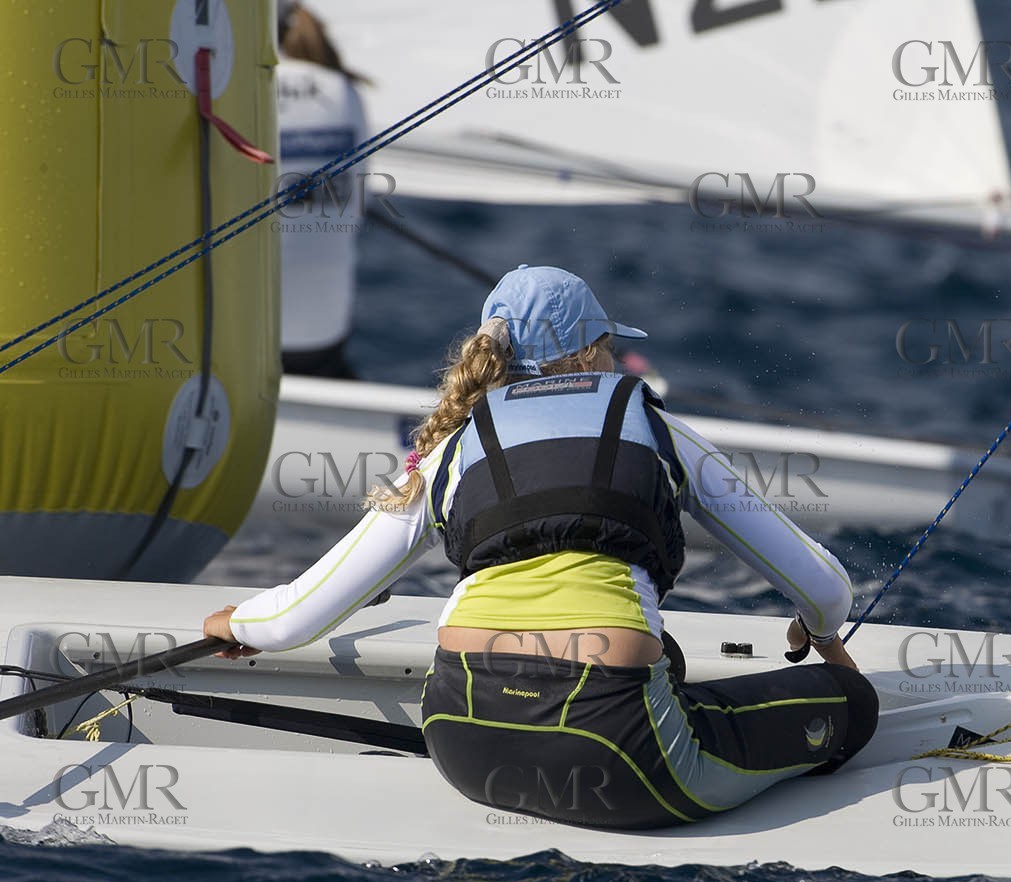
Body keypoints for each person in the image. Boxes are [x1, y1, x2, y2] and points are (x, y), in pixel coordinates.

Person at [203, 266, 879, 830]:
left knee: (663, 658)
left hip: (463, 737)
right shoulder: (647, 421)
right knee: (854, 706)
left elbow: (297, 617)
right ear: (589, 356)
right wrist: (816, 629)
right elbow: (825, 589)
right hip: (623, 754)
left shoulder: (451, 447)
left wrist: (236, 624)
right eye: (609, 344)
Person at [276, 1, 368, 378]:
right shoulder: (347, 92)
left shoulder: (244, 86)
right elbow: (361, 202)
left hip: (250, 329)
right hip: (326, 326)